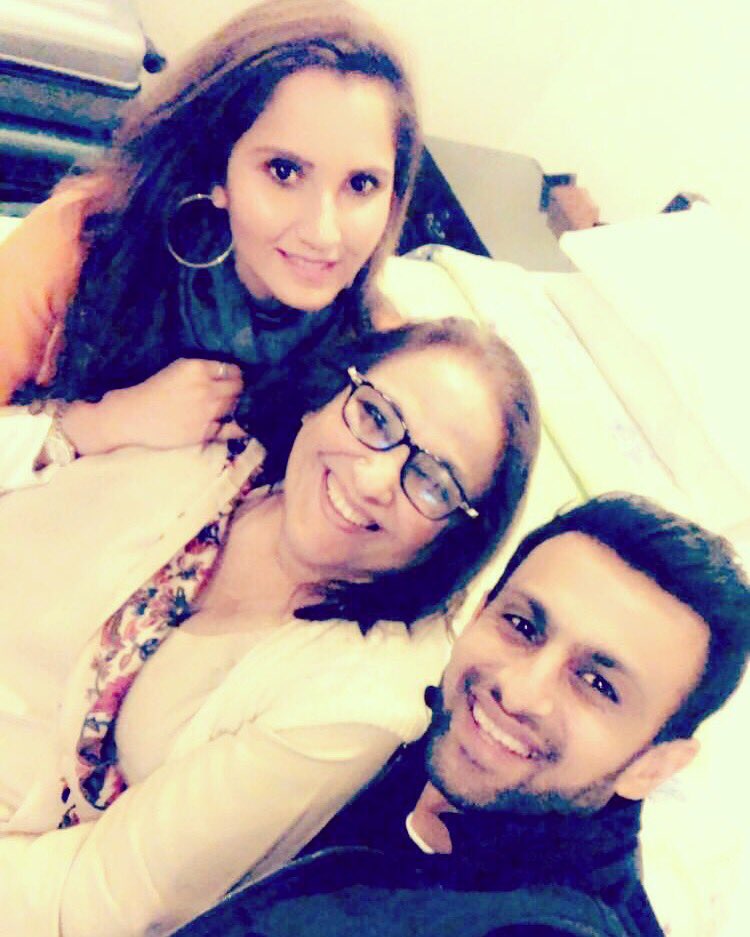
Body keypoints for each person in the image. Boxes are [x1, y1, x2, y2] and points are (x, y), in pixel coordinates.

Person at [0, 316, 540, 937]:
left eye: (433, 483)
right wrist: (91, 424)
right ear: (329, 394)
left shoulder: (353, 697)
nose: (373, 480)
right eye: (377, 417)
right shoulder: (210, 439)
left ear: (453, 541)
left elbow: (100, 899)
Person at [175, 494, 750, 937]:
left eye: (597, 684)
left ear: (653, 767)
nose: (518, 692)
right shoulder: (405, 743)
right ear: (477, 614)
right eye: (521, 625)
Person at [0, 0, 421, 454]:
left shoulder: (383, 356)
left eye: (361, 184)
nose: (323, 233)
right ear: (218, 169)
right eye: (284, 172)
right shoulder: (83, 242)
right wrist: (101, 424)